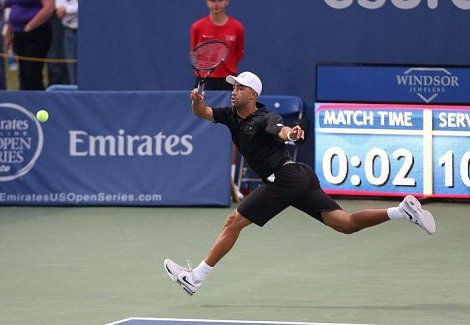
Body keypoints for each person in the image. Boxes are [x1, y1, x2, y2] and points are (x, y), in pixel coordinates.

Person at [164, 71, 436, 296]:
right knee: (345, 224)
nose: (233, 91)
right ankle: (402, 211)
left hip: (285, 178)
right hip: (299, 176)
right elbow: (203, 112)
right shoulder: (231, 115)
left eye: (240, 88)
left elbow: (279, 130)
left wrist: (290, 133)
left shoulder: (265, 117)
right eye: (233, 87)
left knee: (233, 223)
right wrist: (196, 100)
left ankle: (195, 278)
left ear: (253, 95)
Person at [190, 0, 244, 91]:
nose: (216, 4)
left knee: (232, 105)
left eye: (220, 0)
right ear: (207, 2)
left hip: (228, 81)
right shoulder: (197, 27)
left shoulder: (237, 27)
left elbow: (239, 55)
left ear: (227, 1)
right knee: (198, 105)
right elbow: (194, 54)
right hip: (205, 81)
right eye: (212, 0)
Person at [5, 0, 54, 90]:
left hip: (36, 33)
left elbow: (49, 8)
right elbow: (14, 8)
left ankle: (37, 101)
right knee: (23, 74)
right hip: (19, 34)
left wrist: (29, 26)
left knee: (32, 74)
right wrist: (9, 33)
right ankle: (24, 100)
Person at [55, 0, 77, 84]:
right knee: (71, 69)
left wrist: (67, 9)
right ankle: (75, 95)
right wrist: (62, 9)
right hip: (69, 30)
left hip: (86, 30)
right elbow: (59, 8)